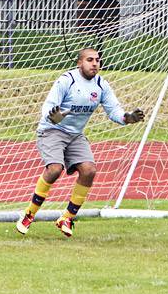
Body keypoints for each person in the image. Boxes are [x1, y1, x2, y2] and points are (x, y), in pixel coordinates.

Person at [16, 48, 145, 237]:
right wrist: (54, 116)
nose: (94, 63)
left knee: (89, 170)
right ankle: (29, 214)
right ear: (79, 63)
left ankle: (66, 218)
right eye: (89, 60)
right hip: (52, 130)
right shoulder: (66, 80)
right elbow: (48, 107)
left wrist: (127, 118)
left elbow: (114, 111)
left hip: (75, 135)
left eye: (97, 60)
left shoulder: (101, 85)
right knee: (54, 169)